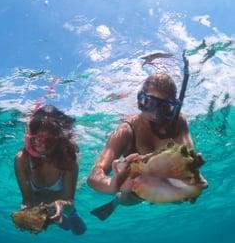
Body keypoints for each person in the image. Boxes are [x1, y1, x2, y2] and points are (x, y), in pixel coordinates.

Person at [87, 73, 208, 220]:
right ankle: (116, 202)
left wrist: (193, 174)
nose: (156, 114)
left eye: (165, 108)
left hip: (164, 178)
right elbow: (94, 176)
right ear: (140, 100)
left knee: (179, 198)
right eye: (149, 103)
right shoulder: (126, 130)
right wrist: (112, 184)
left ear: (174, 108)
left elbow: (188, 157)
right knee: (129, 198)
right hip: (135, 186)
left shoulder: (179, 122)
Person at [14, 105, 86, 235]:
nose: (41, 144)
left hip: (62, 204)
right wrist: (26, 214)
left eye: (48, 140)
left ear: (59, 141)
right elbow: (27, 200)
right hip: (39, 205)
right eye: (36, 138)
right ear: (30, 137)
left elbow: (69, 199)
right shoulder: (21, 159)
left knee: (79, 231)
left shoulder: (69, 161)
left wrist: (62, 205)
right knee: (63, 225)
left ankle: (71, 215)